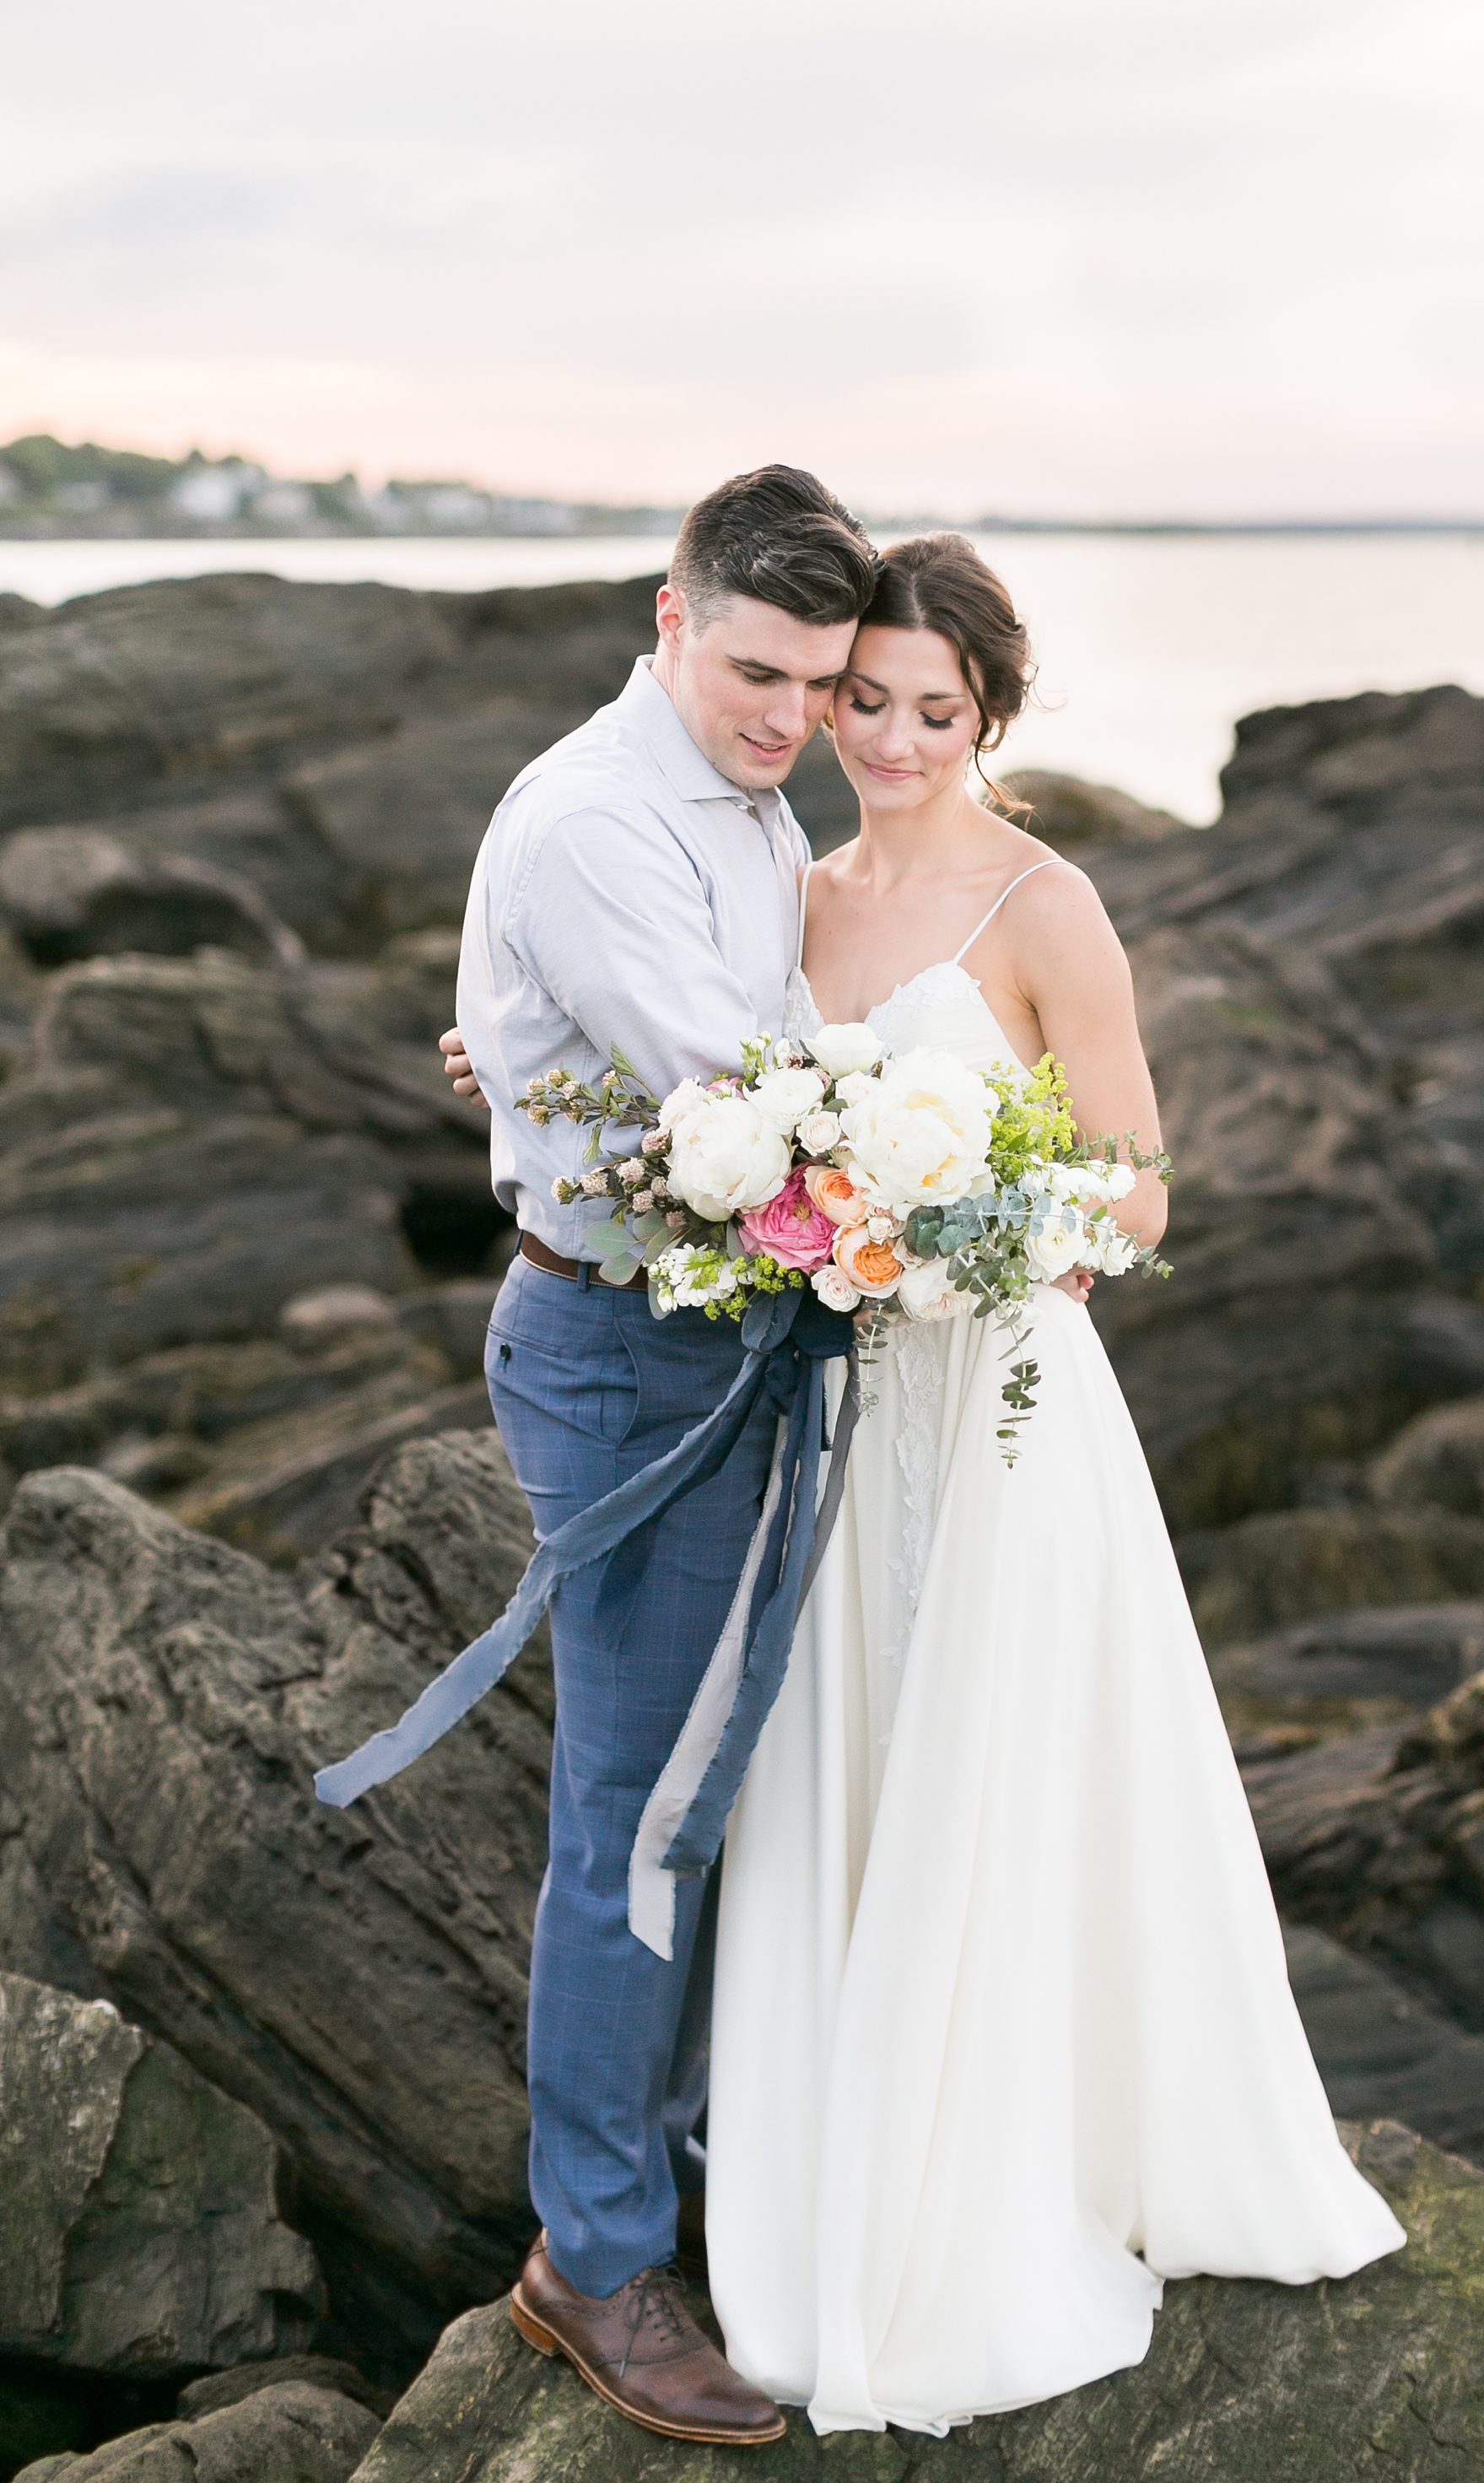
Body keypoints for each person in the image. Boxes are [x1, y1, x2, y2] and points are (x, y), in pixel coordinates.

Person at [434, 528, 1407, 2440]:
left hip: (996, 1408)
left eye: (922, 709)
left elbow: (1136, 1184)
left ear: (993, 713)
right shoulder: (781, 893)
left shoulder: (1047, 906)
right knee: (813, 1785)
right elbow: (699, 1098)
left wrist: (978, 1219)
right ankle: (813, 2176)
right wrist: (512, 1047)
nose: (874, 736)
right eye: (849, 698)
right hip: (823, 1402)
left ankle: (993, 2165)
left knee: (994, 1774)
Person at [418, 464, 879, 2448]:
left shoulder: (744, 800)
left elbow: (764, 1029)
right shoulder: (605, 821)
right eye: (758, 669)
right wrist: (978, 1181)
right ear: (670, 616)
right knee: (640, 1811)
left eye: (823, 683)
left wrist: (504, 1044)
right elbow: (756, 1093)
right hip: (628, 1352)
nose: (792, 718)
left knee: (707, 1791)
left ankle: (674, 2178)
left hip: (721, 1324)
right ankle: (596, 2263)